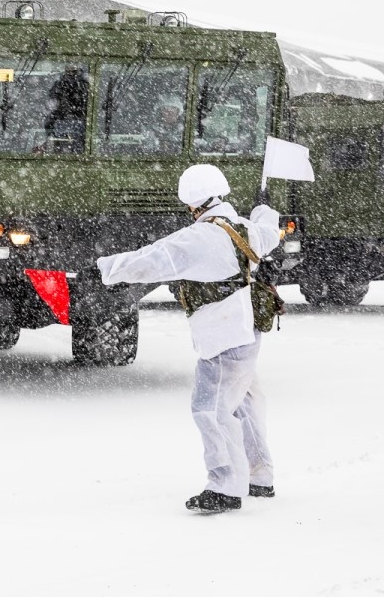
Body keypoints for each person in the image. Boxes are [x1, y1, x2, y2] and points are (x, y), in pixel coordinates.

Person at [96, 164, 281, 514]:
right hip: (247, 331)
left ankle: (225, 485)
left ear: (190, 201)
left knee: (209, 409)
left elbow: (152, 259)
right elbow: (269, 232)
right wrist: (265, 210)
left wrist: (104, 269)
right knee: (243, 403)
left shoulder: (199, 238)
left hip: (224, 338)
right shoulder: (243, 227)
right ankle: (260, 475)